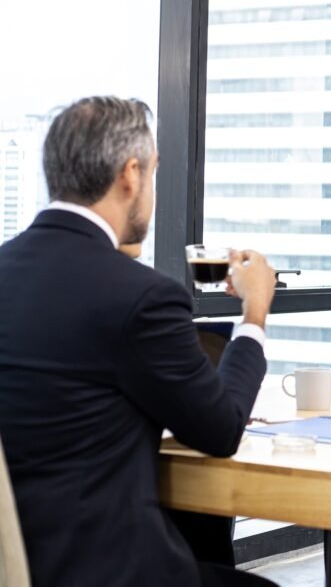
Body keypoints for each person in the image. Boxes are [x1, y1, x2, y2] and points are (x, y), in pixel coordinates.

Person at [0, 97, 278, 587]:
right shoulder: (140, 296)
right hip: (107, 571)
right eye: (151, 173)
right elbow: (220, 430)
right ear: (130, 174)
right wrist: (254, 312)